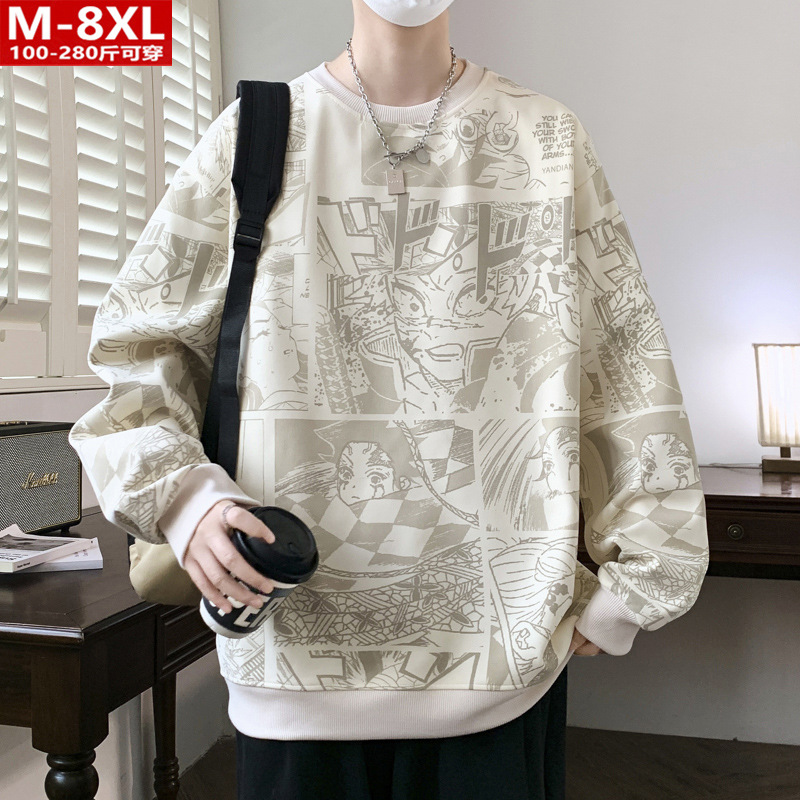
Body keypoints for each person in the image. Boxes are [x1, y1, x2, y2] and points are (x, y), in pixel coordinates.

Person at [69, 0, 710, 797]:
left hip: (500, 668)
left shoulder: (547, 138)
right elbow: (141, 348)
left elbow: (622, 359)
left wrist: (639, 577)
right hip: (291, 660)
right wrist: (184, 499)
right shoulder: (256, 132)